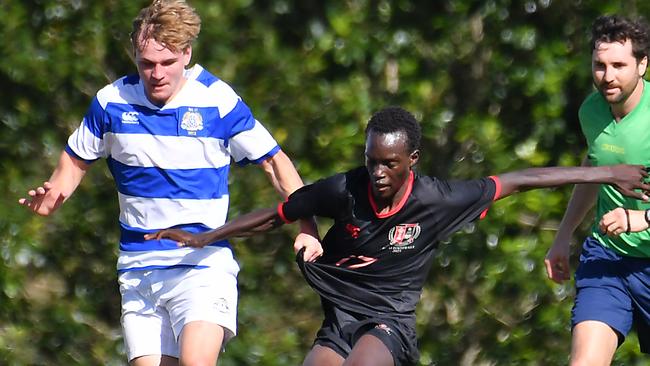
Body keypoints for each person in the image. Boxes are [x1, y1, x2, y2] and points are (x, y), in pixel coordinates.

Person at [146, 106, 650, 366]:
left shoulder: (439, 199)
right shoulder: (344, 189)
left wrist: (609, 175)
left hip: (389, 324)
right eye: (371, 161)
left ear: (412, 160)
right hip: (338, 322)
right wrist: (205, 236)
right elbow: (275, 212)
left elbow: (522, 180)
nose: (379, 173)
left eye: (389, 163)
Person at [17, 0, 321, 365]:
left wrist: (307, 225)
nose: (156, 73)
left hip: (202, 266)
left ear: (186, 54)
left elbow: (275, 163)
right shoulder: (110, 103)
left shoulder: (217, 101)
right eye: (146, 64)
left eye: (167, 63)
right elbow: (75, 160)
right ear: (134, 57)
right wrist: (53, 194)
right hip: (139, 271)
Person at [544, 14, 650, 365]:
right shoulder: (591, 111)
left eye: (619, 65)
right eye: (600, 65)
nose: (608, 76)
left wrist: (642, 218)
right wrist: (563, 235)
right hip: (608, 260)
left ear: (643, 64)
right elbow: (594, 171)